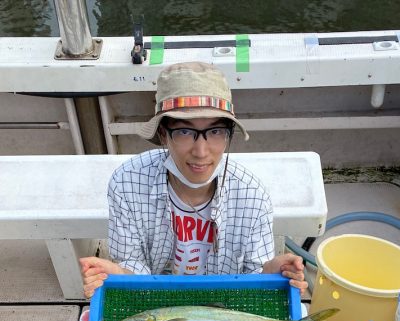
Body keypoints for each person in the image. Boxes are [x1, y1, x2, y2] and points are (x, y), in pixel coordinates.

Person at [80, 61, 307, 299]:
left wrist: (273, 271)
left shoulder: (253, 194)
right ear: (163, 135)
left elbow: (254, 273)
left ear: (228, 135)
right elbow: (132, 263)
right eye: (185, 132)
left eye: (215, 131)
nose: (201, 151)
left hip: (225, 299)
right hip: (156, 297)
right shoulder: (126, 183)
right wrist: (116, 272)